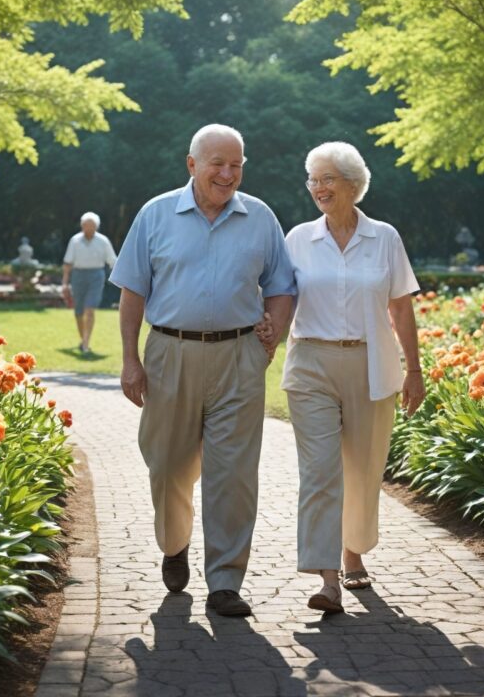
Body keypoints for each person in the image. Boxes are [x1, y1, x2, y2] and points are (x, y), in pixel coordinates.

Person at [109, 124, 295, 618]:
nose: (228, 173)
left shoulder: (260, 217)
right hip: (171, 354)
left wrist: (269, 342)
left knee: (233, 475)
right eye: (218, 163)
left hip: (239, 356)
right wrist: (131, 359)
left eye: (236, 164)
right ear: (191, 164)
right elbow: (132, 293)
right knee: (167, 465)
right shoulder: (155, 215)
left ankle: (225, 581)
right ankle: (174, 544)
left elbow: (282, 285)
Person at [274, 141, 425, 614]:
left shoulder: (385, 238)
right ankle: (326, 577)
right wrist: (262, 332)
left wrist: (414, 371)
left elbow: (401, 305)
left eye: (327, 179)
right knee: (320, 471)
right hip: (311, 365)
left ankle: (352, 551)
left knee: (362, 470)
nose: (318, 188)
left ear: (353, 185)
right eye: (312, 179)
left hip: (371, 365)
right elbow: (280, 300)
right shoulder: (297, 238)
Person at [62, 212, 117, 354]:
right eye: (86, 225)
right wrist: (64, 283)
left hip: (96, 276)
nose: (89, 228)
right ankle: (83, 339)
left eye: (92, 225)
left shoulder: (103, 241)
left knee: (90, 309)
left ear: (96, 227)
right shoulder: (74, 240)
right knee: (79, 311)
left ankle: (86, 343)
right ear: (82, 226)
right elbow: (68, 264)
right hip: (78, 275)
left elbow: (112, 261)